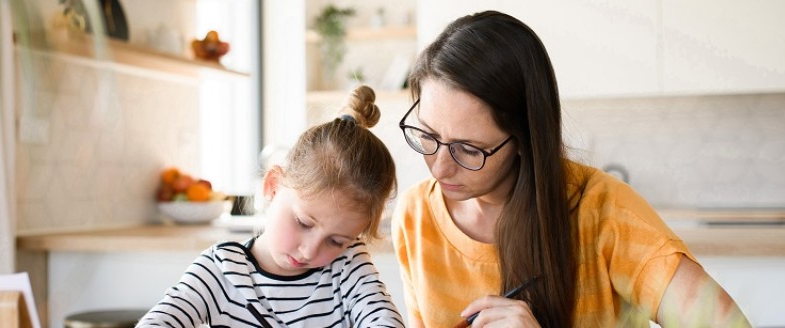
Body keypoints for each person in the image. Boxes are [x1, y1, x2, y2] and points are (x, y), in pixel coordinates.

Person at [391, 11, 751, 328]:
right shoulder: (414, 216)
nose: (439, 167)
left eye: (468, 149)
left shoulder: (605, 213)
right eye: (428, 135)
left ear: (523, 139)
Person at [137, 86, 404, 328]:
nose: (310, 251)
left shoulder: (347, 265)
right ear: (273, 187)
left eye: (336, 241)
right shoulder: (221, 270)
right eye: (304, 223)